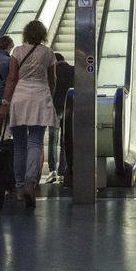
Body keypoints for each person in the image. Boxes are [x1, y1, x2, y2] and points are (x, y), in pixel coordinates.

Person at [0, 19, 56, 208]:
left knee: (20, 145)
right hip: (40, 97)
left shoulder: (17, 51)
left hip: (20, 98)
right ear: (42, 35)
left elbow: (12, 78)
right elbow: (52, 80)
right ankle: (31, 181)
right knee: (35, 142)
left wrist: (5, 102)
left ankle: (20, 188)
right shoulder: (48, 53)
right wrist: (50, 97)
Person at [46, 51, 74, 183]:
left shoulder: (50, 71)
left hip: (54, 108)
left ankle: (52, 170)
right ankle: (64, 169)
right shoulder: (72, 70)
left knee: (53, 139)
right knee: (65, 140)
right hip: (69, 108)